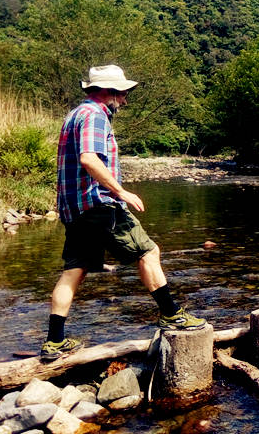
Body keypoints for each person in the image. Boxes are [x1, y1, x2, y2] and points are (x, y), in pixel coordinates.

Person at [41, 65, 206, 361]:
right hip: (100, 205)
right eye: (123, 93)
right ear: (109, 92)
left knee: (73, 271)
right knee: (148, 252)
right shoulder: (95, 115)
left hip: (75, 208)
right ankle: (172, 315)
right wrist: (122, 192)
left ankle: (54, 342)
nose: (126, 100)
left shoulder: (75, 114)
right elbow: (89, 159)